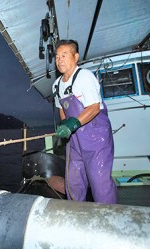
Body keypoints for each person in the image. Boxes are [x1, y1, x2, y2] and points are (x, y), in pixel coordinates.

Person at [53, 39, 117, 204]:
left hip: (96, 139)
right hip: (74, 140)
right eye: (57, 56)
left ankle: (108, 220)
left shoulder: (84, 77)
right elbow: (62, 108)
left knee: (100, 183)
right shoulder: (57, 85)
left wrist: (71, 124)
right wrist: (63, 125)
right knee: (73, 183)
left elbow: (94, 108)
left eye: (64, 55)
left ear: (76, 57)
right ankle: (76, 216)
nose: (59, 60)